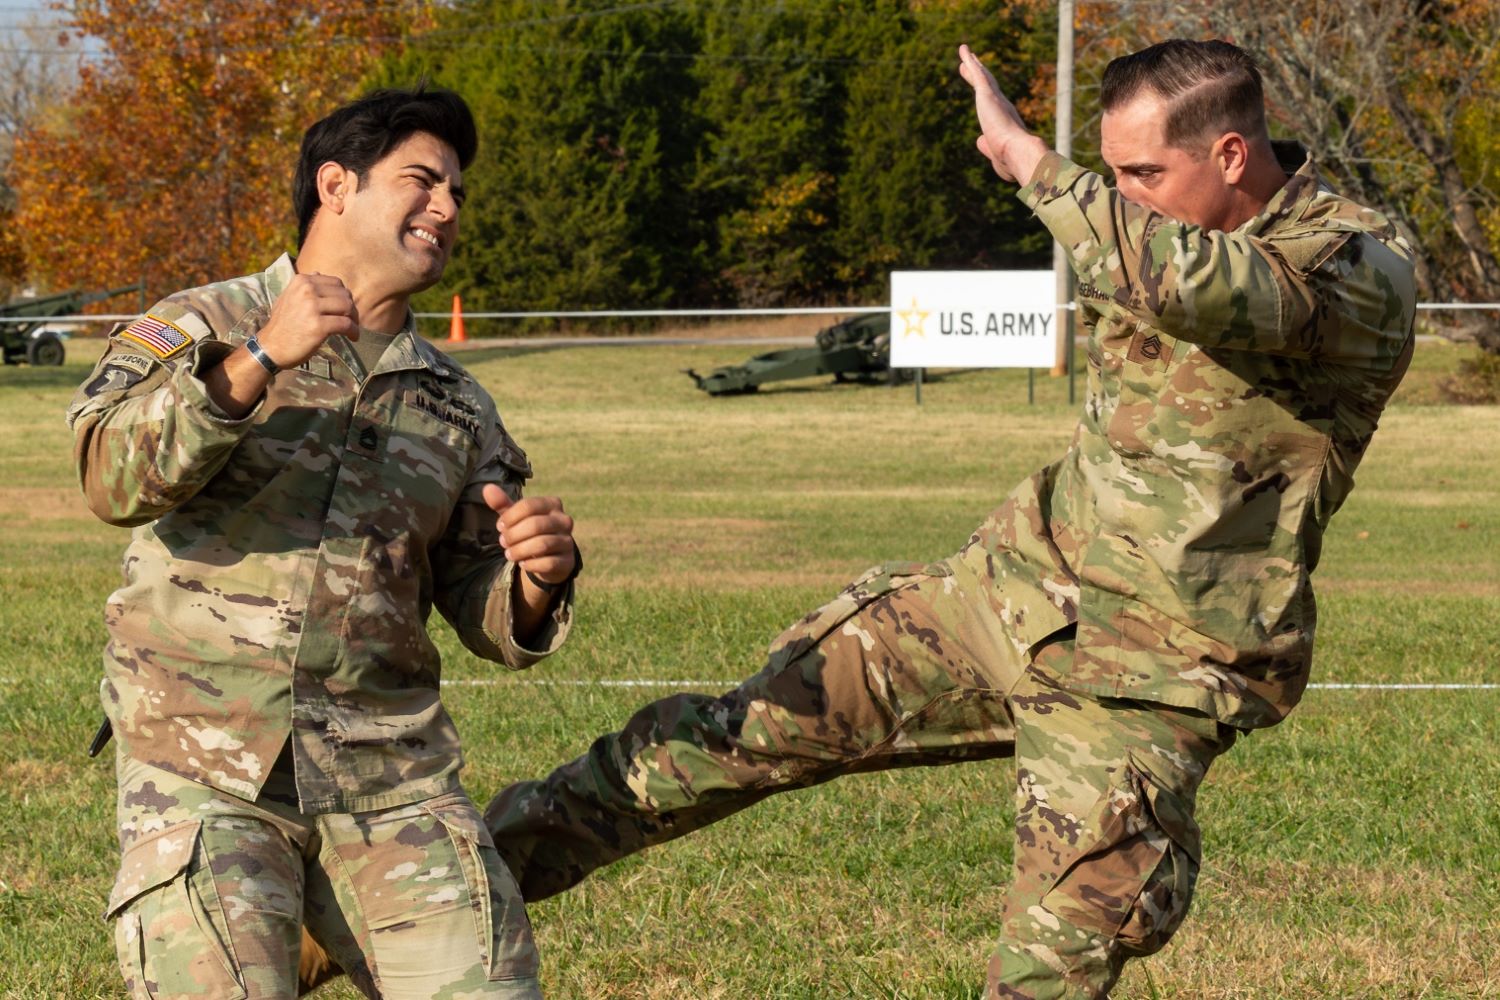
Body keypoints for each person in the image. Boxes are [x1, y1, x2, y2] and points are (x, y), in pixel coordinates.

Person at [463, 39, 1418, 1000]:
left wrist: (1032, 162)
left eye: (1142, 175)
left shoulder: (1355, 267)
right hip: (1009, 595)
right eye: (1112, 176)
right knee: (726, 738)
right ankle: (436, 899)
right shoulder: (1145, 228)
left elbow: (1193, 283)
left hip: (1151, 671)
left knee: (1056, 959)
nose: (1123, 198)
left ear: (1231, 155)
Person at [70, 87, 579, 1000]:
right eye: (423, 181)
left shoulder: (458, 403)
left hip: (389, 774)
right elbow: (111, 477)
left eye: (457, 193)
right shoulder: (204, 324)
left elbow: (486, 609)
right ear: (336, 185)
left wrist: (538, 578)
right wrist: (261, 357)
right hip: (202, 763)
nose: (448, 208)